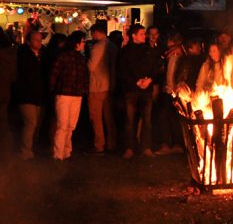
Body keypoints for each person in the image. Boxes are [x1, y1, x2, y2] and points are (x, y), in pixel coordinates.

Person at [117, 24, 161, 158]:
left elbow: (155, 68)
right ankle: (129, 147)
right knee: (130, 120)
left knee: (147, 120)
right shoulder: (125, 51)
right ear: (134, 36)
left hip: (146, 90)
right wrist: (136, 81)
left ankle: (145, 147)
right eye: (142, 34)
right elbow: (122, 71)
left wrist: (149, 80)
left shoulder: (149, 50)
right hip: (131, 90)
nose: (145, 36)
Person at [50, 31, 89, 161]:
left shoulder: (80, 58)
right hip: (65, 94)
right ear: (77, 43)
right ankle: (58, 153)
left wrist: (84, 90)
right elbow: (54, 74)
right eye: (83, 41)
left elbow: (84, 76)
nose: (85, 43)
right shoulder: (65, 57)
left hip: (76, 94)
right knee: (63, 125)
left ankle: (66, 152)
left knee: (70, 125)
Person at [13, 30, 47, 160]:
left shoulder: (42, 55)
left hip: (39, 94)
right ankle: (26, 151)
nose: (39, 42)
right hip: (26, 94)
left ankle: (32, 147)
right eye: (36, 40)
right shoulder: (23, 56)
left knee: (36, 123)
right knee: (30, 123)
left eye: (40, 39)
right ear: (28, 41)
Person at [86, 21, 117, 155]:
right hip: (110, 85)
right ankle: (112, 143)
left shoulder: (97, 47)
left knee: (96, 117)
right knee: (109, 116)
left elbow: (91, 67)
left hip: (97, 86)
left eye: (92, 33)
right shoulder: (113, 46)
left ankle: (99, 145)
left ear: (96, 33)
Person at [0, 32, 17, 160]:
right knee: (3, 124)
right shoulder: (11, 55)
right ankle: (7, 154)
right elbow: (13, 77)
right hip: (5, 92)